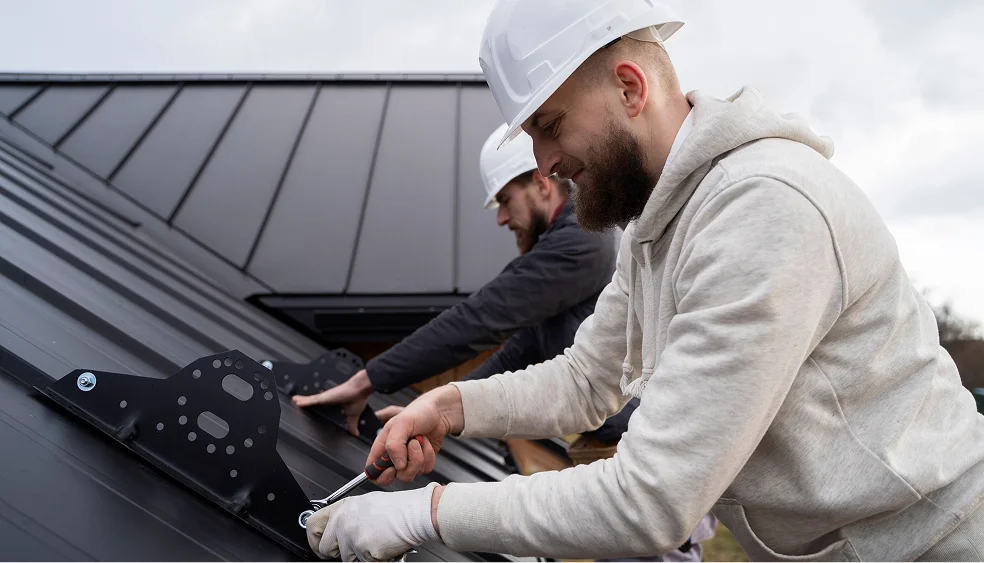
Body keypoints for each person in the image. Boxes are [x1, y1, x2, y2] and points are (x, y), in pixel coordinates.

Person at [305, 1, 984, 561]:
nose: (544, 162)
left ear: (630, 88)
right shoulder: (656, 226)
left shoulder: (762, 209)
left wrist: (427, 511)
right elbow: (585, 381)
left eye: (549, 126)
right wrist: (450, 406)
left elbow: (651, 499)